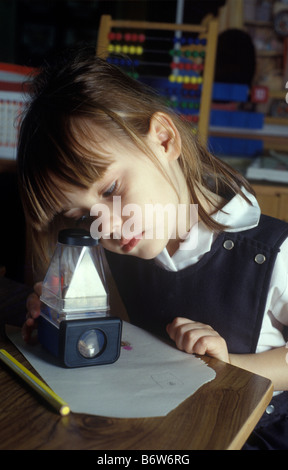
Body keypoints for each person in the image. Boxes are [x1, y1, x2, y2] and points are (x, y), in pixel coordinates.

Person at [17, 47, 288, 449]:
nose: (102, 225)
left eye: (110, 189)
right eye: (80, 215)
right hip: (161, 429)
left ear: (163, 140)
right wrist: (62, 317)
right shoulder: (115, 249)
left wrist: (233, 366)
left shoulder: (271, 253)